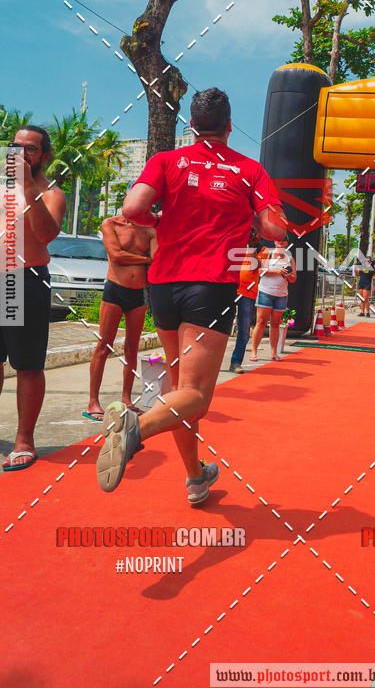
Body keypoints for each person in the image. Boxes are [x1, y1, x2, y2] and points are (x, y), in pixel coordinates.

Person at [95, 88, 286, 502]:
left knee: (181, 390)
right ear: (230, 126)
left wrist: (160, 218)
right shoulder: (248, 171)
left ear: (193, 126)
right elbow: (276, 231)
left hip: (162, 285)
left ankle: (196, 478)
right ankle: (135, 428)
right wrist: (254, 215)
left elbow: (132, 207)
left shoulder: (167, 161)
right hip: (210, 285)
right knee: (196, 396)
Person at [1, 127, 66, 471]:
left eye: (30, 149)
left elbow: (45, 235)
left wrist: (27, 187)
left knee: (26, 364)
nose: (21, 153)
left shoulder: (51, 193)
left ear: (44, 156)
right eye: (16, 147)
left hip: (24, 280)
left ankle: (24, 439)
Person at [84, 204, 157, 421]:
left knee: (132, 349)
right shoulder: (110, 224)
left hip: (139, 294)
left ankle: (127, 398)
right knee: (104, 346)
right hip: (115, 290)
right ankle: (93, 401)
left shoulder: (150, 230)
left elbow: (158, 258)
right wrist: (144, 259)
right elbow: (115, 255)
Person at [250, 240, 296, 362]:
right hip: (266, 292)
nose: (281, 242)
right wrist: (277, 272)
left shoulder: (290, 258)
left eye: (284, 240)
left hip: (281, 294)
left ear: (287, 243)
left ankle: (274, 353)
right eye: (279, 240)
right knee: (261, 322)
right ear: (275, 242)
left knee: (276, 324)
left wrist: (289, 276)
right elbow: (260, 272)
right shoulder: (268, 253)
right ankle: (254, 352)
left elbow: (294, 279)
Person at [228, 228, 261, 373]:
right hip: (229, 290)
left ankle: (236, 362)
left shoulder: (256, 254)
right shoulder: (231, 249)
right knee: (217, 328)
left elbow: (255, 265)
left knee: (244, 330)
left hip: (247, 295)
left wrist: (251, 247)